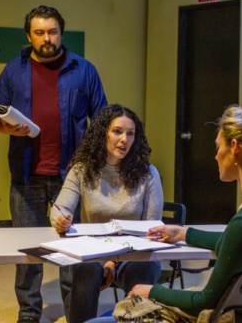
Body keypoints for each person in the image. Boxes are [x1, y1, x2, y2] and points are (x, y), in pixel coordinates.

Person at [86, 102, 242, 323]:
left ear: (234, 148)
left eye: (218, 148)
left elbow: (205, 302)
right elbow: (234, 243)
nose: (216, 156)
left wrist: (149, 291)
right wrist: (184, 234)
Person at [0, 5, 107, 323]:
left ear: (61, 33)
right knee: (29, 253)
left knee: (72, 252)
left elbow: (103, 119)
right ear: (29, 36)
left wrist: (97, 164)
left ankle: (74, 312)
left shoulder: (84, 70)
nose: (46, 38)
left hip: (74, 179)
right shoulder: (13, 70)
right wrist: (6, 127)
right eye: (39, 32)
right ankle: (29, 313)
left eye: (52, 31)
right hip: (27, 177)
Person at [50, 104, 163, 323]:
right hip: (94, 252)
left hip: (136, 252)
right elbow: (60, 208)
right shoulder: (81, 170)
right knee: (86, 268)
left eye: (130, 134)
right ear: (103, 134)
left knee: (143, 266)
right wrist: (61, 220)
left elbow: (150, 230)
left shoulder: (148, 174)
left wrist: (114, 261)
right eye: (117, 131)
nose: (124, 140)